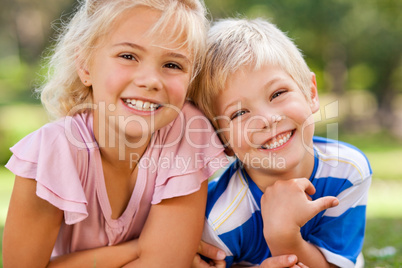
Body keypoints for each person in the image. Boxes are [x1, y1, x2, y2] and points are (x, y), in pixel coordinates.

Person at [3, 0, 229, 267]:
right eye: (128, 56)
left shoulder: (187, 134)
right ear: (85, 65)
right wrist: (142, 248)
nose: (150, 80)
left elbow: (164, 263)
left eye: (172, 65)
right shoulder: (53, 152)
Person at [189, 18, 372, 268]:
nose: (267, 119)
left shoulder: (348, 171)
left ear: (311, 93)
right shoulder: (220, 220)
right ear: (222, 141)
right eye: (239, 113)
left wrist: (283, 235)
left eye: (277, 94)